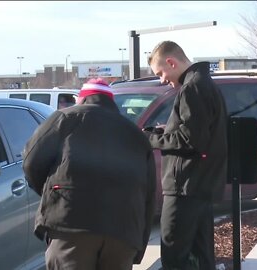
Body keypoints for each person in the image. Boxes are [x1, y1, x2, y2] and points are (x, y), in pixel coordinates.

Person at [22, 78, 157, 270]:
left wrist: (52, 194)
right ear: (110, 102)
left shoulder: (65, 119)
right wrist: (139, 244)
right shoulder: (135, 134)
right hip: (123, 232)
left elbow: (31, 162)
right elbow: (149, 194)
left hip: (71, 223)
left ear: (82, 99)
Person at [144, 40, 228, 270]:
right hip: (200, 186)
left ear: (171, 62)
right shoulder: (204, 84)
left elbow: (191, 140)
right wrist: (165, 131)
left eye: (161, 72)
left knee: (173, 257)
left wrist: (149, 139)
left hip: (185, 189)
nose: (162, 80)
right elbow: (197, 132)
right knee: (202, 257)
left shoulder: (193, 89)